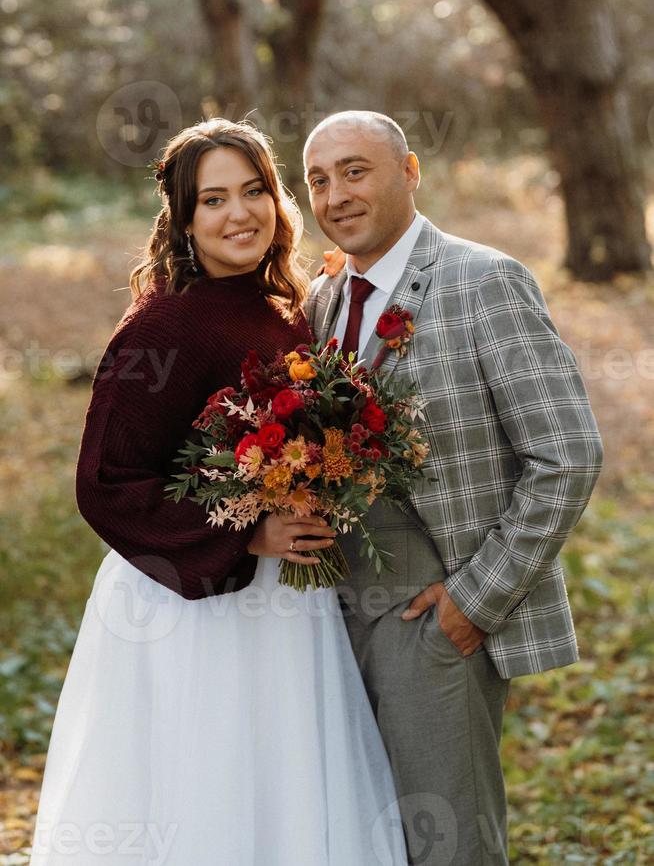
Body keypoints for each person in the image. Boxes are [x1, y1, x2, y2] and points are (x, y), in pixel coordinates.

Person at [28, 118, 408, 866]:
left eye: (254, 190)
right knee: (210, 780)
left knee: (287, 778)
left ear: (276, 198)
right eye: (213, 200)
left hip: (287, 607)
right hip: (189, 606)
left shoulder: (282, 307)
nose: (240, 214)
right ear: (183, 218)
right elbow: (105, 484)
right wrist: (247, 533)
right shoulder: (162, 327)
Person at [304, 110, 604, 866]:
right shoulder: (325, 300)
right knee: (363, 836)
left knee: (449, 843)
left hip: (433, 613)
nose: (335, 194)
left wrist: (475, 602)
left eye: (355, 170)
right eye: (317, 179)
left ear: (409, 173)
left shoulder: (484, 280)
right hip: (328, 617)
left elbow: (567, 454)